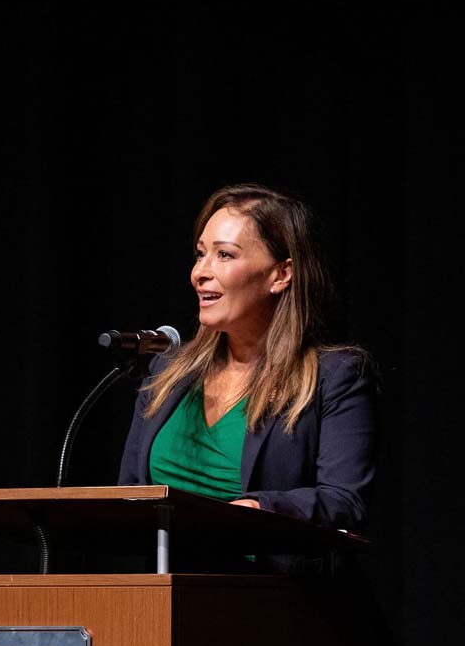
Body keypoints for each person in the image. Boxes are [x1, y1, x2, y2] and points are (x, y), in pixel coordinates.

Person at [118, 182, 378, 568]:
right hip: (165, 594)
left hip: (268, 595)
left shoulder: (333, 377)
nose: (200, 273)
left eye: (225, 255)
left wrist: (255, 509)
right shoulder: (167, 371)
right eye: (200, 254)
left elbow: (344, 500)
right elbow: (129, 496)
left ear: (280, 274)